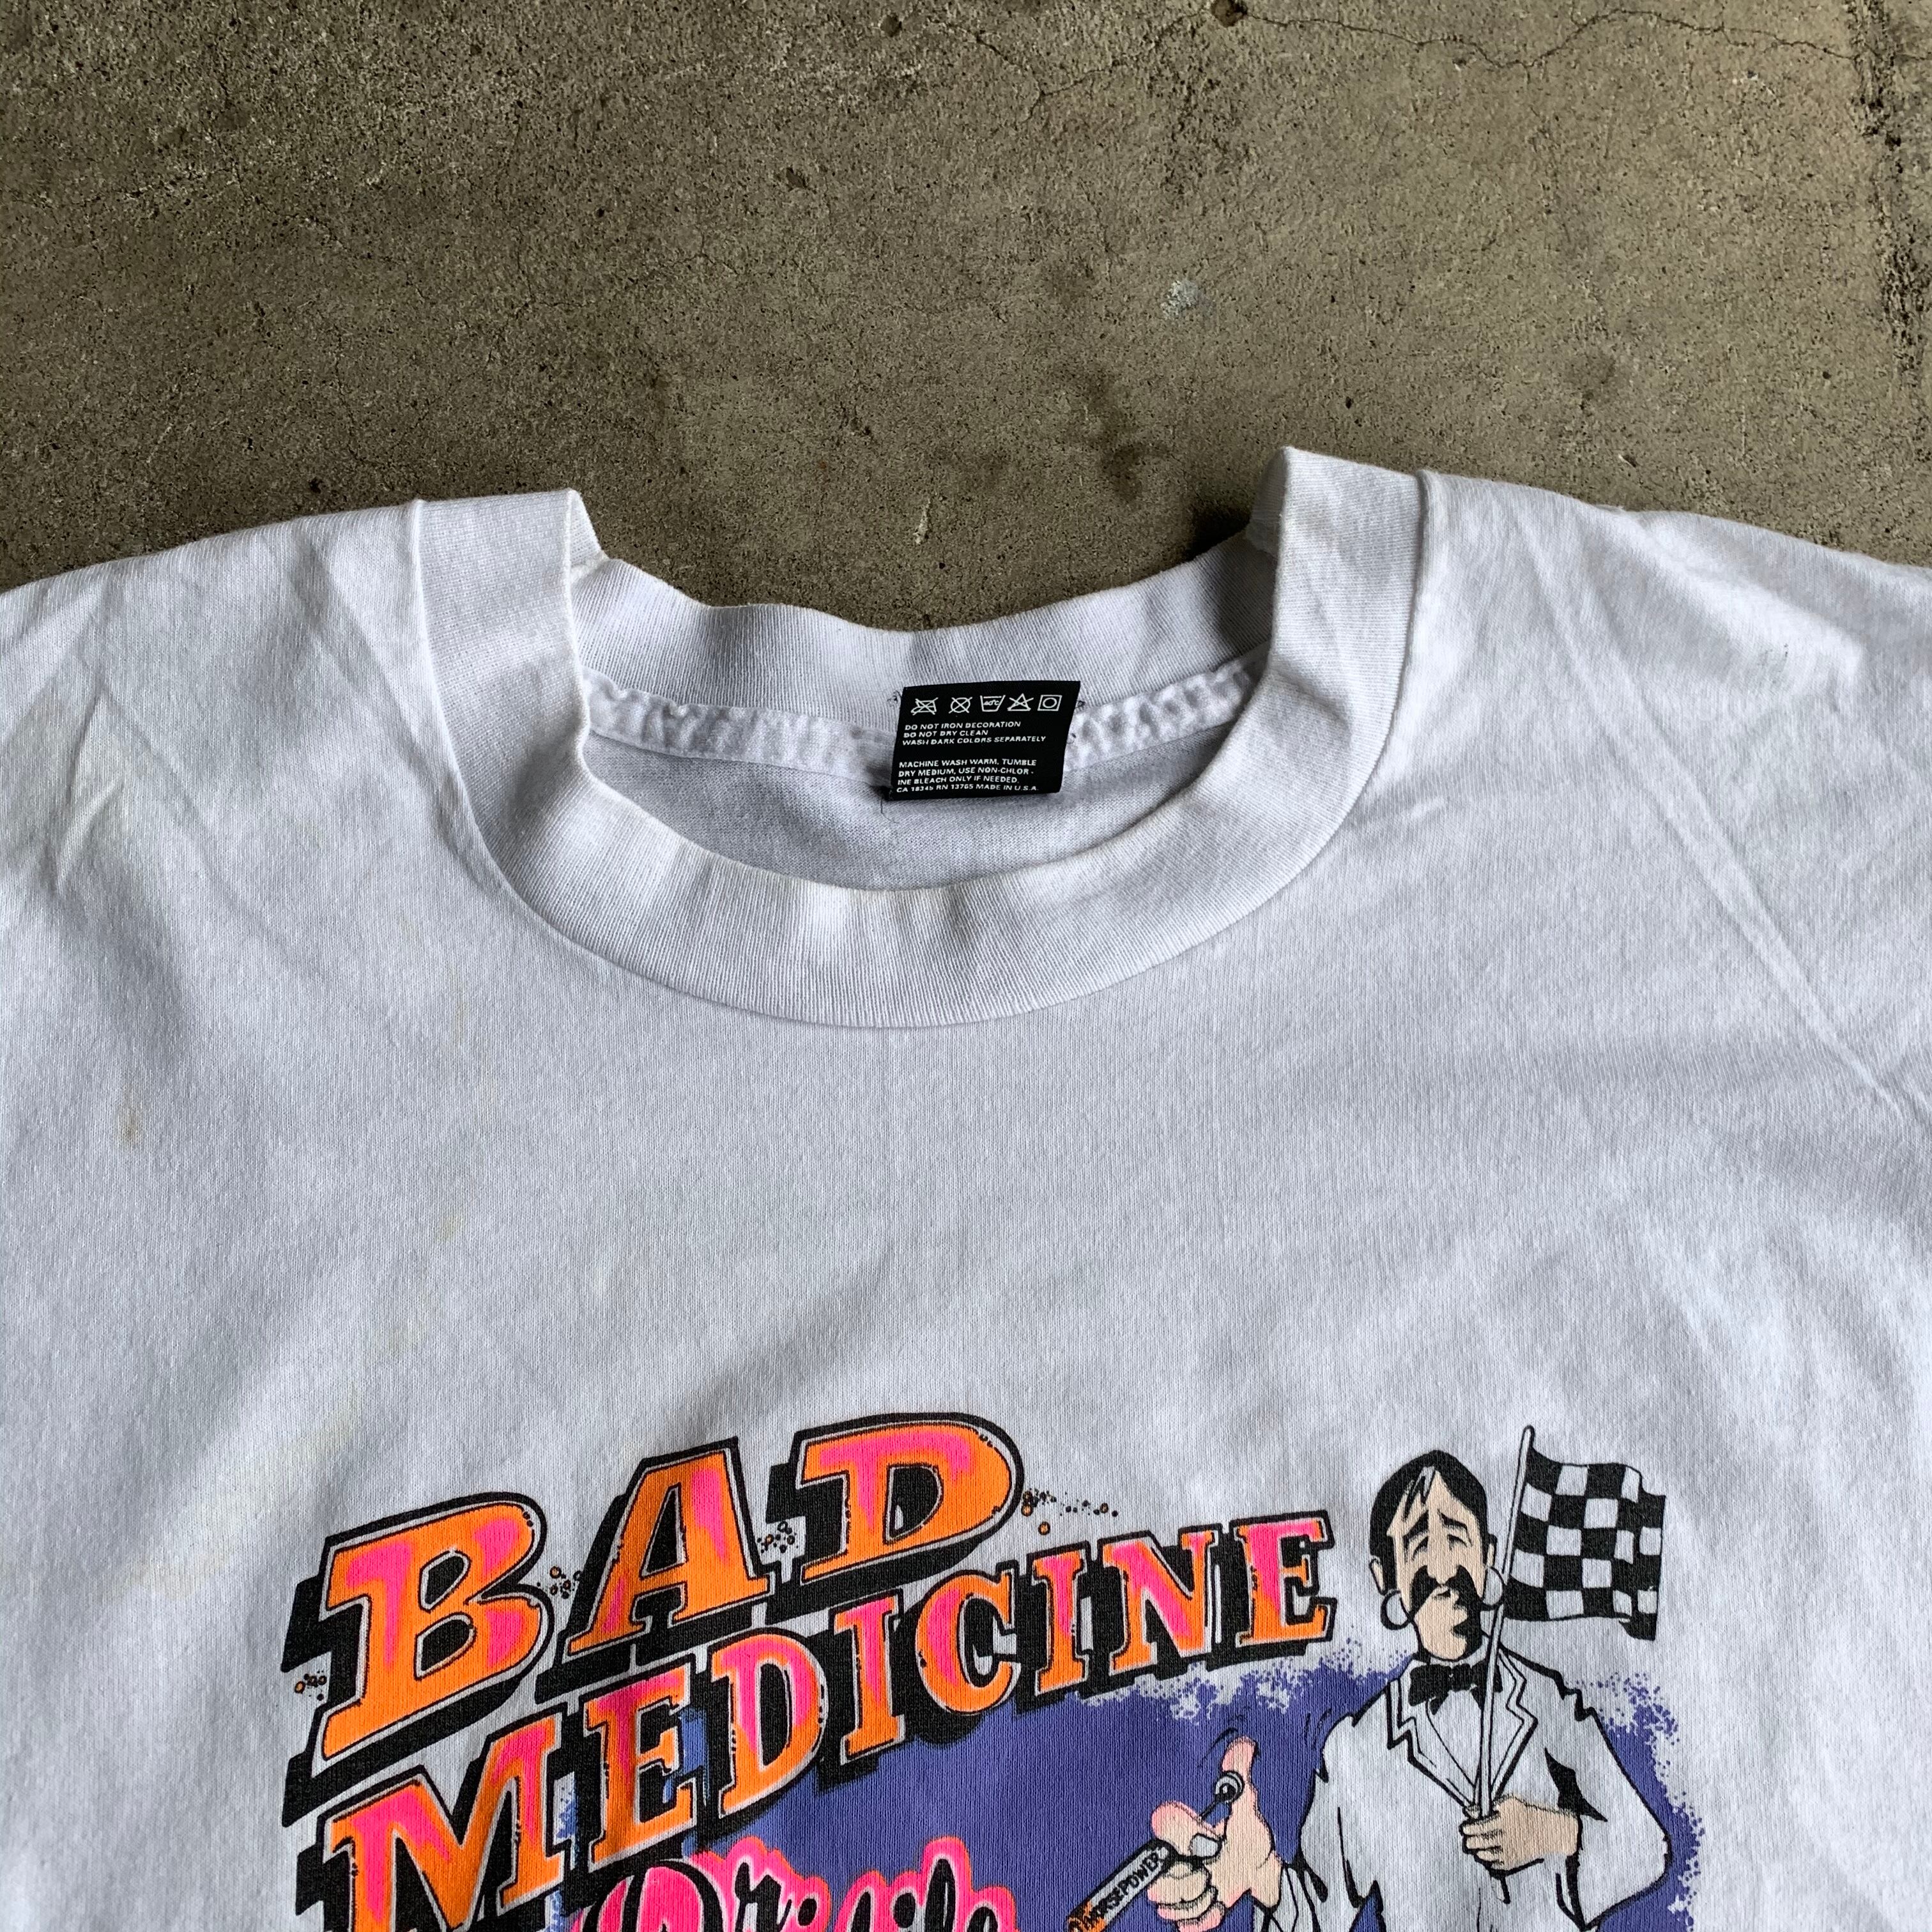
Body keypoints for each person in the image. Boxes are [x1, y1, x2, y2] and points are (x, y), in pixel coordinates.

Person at [1146, 1453, 1670, 1930]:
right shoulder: (1357, 1748)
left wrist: (1553, 1832)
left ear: (1488, 1556)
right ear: (1386, 1577)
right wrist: (1263, 1879)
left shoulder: (1547, 1701)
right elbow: (1316, 1916)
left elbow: (1647, 1846)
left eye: (1457, 1538)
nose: (1443, 1568)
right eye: (1420, 1545)